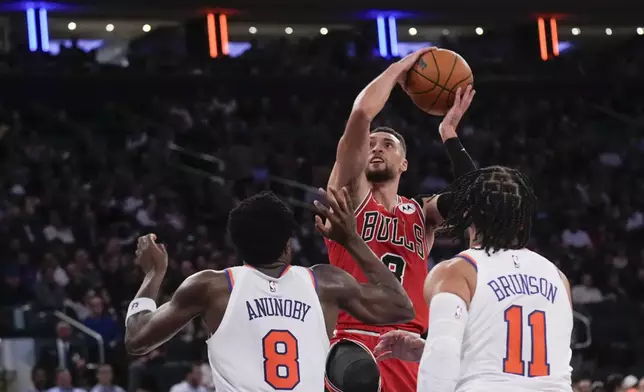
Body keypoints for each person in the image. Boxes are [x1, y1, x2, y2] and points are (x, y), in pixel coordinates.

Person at [124, 188, 413, 392]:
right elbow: (401, 307)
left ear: (236, 244)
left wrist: (153, 273)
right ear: (289, 245)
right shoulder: (325, 284)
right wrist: (351, 239)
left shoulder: (212, 287)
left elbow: (137, 339)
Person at [325, 47, 476, 391]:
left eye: (388, 144)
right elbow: (362, 113)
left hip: (409, 347)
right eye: (372, 144)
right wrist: (398, 69)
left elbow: (475, 194)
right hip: (355, 341)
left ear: (404, 164)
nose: (376, 148)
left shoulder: (422, 214)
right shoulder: (349, 195)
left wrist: (449, 131)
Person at [374, 166, 573, 392]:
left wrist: (433, 351)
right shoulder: (559, 278)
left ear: (469, 217)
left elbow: (442, 354)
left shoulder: (457, 271)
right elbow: (521, 359)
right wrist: (425, 350)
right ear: (522, 222)